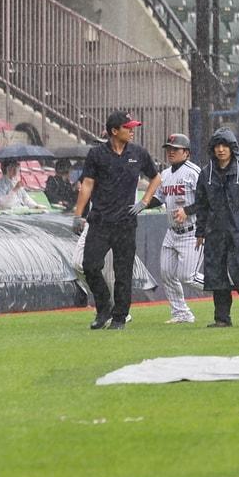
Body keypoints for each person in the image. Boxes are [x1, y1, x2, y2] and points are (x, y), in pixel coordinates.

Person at [72, 111, 161, 331]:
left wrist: (145, 201)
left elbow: (156, 177)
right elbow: (88, 184)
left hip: (126, 223)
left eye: (132, 127)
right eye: (128, 127)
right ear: (114, 131)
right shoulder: (96, 154)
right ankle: (104, 308)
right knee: (90, 266)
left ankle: (120, 318)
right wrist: (78, 214)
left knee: (123, 272)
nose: (132, 131)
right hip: (100, 221)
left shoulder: (139, 153)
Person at [192, 128, 239, 328]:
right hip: (214, 233)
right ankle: (222, 318)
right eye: (217, 146)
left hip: (238, 232)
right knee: (217, 276)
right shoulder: (206, 173)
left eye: (225, 146)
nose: (221, 150)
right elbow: (201, 205)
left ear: (233, 148)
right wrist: (200, 232)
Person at [152, 133, 204, 324]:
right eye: (169, 149)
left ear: (187, 153)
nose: (171, 152)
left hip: (191, 231)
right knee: (167, 273)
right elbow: (158, 198)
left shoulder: (194, 172)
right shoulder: (165, 174)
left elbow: (208, 200)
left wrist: (188, 210)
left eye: (175, 149)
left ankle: (222, 289)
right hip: (172, 232)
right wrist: (141, 204)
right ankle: (181, 313)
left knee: (187, 276)